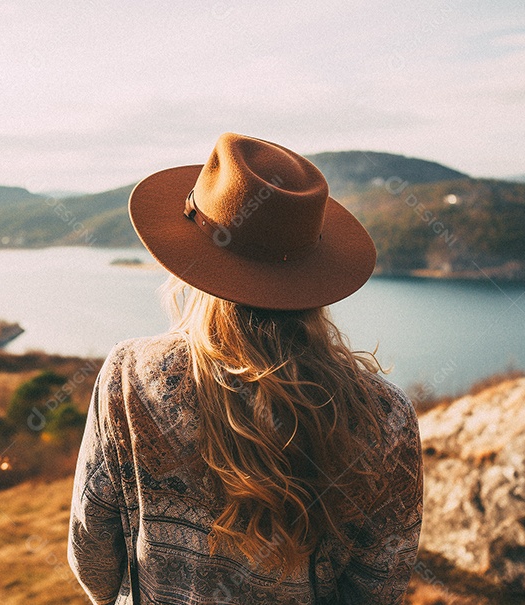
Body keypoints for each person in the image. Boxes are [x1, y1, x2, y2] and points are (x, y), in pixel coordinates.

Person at [68, 133, 422, 604]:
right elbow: (381, 586)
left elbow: (92, 554)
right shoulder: (385, 416)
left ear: (194, 262)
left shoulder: (128, 377)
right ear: (314, 265)